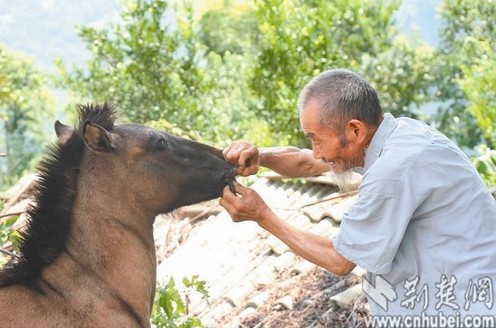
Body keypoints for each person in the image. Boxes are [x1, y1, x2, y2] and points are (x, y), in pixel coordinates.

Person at [219, 68, 496, 318]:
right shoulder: (399, 134)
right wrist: (260, 156)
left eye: (316, 138)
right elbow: (306, 161)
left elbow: (339, 260)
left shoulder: (394, 170)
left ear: (355, 130)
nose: (316, 150)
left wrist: (261, 216)